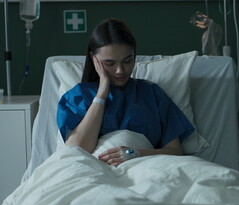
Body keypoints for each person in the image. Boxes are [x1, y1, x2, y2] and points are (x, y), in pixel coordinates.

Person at [57, 18, 194, 167]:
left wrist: (135, 153)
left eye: (127, 61)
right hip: (95, 169)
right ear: (94, 59)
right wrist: (101, 95)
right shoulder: (79, 96)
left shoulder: (152, 94)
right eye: (110, 63)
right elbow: (77, 150)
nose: (120, 70)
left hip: (146, 167)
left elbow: (175, 151)